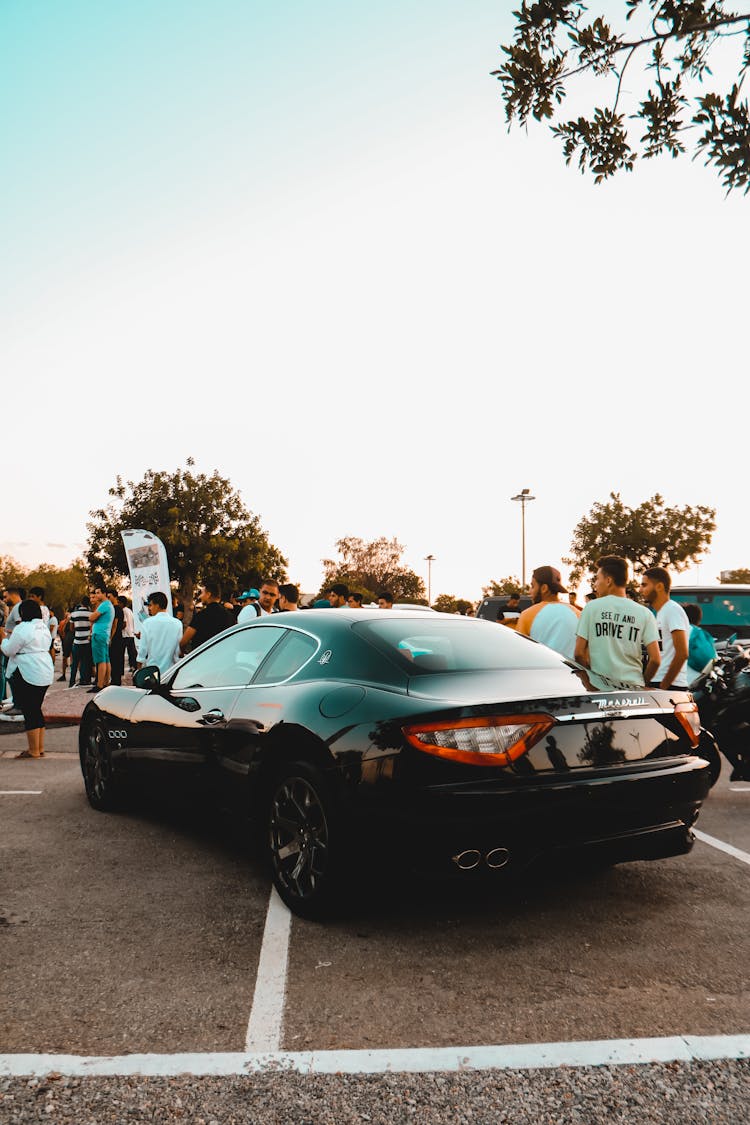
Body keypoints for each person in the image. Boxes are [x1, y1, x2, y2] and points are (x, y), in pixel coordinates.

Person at [574, 555, 660, 687]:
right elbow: (655, 660)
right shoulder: (645, 613)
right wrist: (642, 683)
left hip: (600, 688)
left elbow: (579, 653)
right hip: (634, 690)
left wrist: (590, 682)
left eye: (597, 579)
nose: (595, 584)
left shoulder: (591, 608)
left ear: (608, 580)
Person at [0, 599, 54, 757]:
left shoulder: (22, 628)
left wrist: (2, 640)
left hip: (27, 671)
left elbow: (9, 650)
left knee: (30, 711)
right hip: (44, 670)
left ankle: (33, 751)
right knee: (36, 710)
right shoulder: (42, 626)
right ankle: (40, 748)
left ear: (23, 613)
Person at [639, 566, 690, 689]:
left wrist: (664, 685)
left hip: (670, 684)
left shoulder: (672, 610)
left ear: (659, 587)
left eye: (644, 585)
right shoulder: (661, 612)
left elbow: (682, 653)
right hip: (659, 681)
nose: (640, 590)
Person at [516, 566, 581, 661]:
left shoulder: (527, 615)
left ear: (544, 588)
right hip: (572, 674)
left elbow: (520, 653)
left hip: (540, 674)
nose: (530, 591)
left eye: (533, 586)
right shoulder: (578, 614)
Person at [137, 591, 183, 674]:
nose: (149, 608)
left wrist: (139, 671)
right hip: (171, 671)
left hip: (153, 672)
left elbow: (142, 650)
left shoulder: (147, 623)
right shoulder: (177, 623)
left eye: (150, 605)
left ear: (157, 605)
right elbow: (178, 651)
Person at [180, 581, 233, 652]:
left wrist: (182, 652)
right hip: (221, 657)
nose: (200, 596)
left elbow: (184, 642)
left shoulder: (201, 615)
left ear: (208, 594)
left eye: (202, 593)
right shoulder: (229, 616)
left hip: (201, 658)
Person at [1, 587, 26, 715]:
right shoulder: (16, 608)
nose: (4, 600)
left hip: (14, 647)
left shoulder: (17, 608)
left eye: (6, 597)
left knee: (12, 676)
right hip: (12, 645)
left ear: (13, 595)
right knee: (10, 675)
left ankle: (18, 705)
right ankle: (17, 703)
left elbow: (20, 626)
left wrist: (5, 632)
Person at [683, 603, 718, 684]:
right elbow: (714, 659)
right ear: (699, 619)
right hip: (700, 682)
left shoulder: (677, 632)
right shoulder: (702, 634)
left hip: (680, 682)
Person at [89, 586, 115, 692]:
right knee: (105, 659)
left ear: (104, 593)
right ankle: (106, 683)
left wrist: (93, 617)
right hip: (104, 634)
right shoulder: (109, 605)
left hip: (99, 634)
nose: (96, 595)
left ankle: (99, 685)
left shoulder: (104, 605)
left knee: (100, 661)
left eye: (98, 592)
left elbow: (91, 618)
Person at [68, 595, 93, 688]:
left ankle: (72, 681)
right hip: (87, 641)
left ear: (81, 603)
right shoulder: (91, 614)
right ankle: (84, 679)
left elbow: (71, 628)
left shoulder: (74, 614)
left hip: (77, 640)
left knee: (75, 662)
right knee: (85, 661)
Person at [108, 589, 126, 685]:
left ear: (115, 597)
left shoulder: (116, 609)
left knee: (115, 659)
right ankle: (115, 680)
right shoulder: (116, 609)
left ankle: (115, 681)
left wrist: (110, 638)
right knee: (115, 659)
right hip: (118, 636)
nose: (108, 598)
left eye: (109, 596)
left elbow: (114, 625)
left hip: (116, 637)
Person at [119, 596, 138, 674]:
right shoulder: (129, 610)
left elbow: (124, 623)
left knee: (121, 653)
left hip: (125, 634)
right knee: (132, 652)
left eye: (118, 602)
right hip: (131, 633)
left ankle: (121, 670)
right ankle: (133, 666)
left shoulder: (123, 611)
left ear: (122, 603)